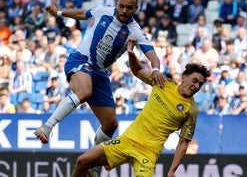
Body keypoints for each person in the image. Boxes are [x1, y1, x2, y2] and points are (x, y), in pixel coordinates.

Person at [34, 0, 164, 151]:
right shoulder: (104, 11)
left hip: (100, 73)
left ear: (136, 8)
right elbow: (83, 13)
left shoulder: (135, 31)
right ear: (117, 4)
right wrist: (59, 12)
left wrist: (156, 69)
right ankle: (47, 126)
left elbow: (152, 54)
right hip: (81, 59)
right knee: (85, 91)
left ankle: (92, 159)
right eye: (121, 6)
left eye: (129, 8)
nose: (124, 10)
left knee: (110, 124)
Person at [70, 38, 211, 177]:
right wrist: (131, 53)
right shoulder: (164, 83)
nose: (197, 86)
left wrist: (172, 170)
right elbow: (137, 71)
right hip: (127, 141)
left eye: (200, 84)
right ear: (184, 77)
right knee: (82, 161)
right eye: (195, 81)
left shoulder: (191, 110)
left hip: (148, 153)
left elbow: (183, 142)